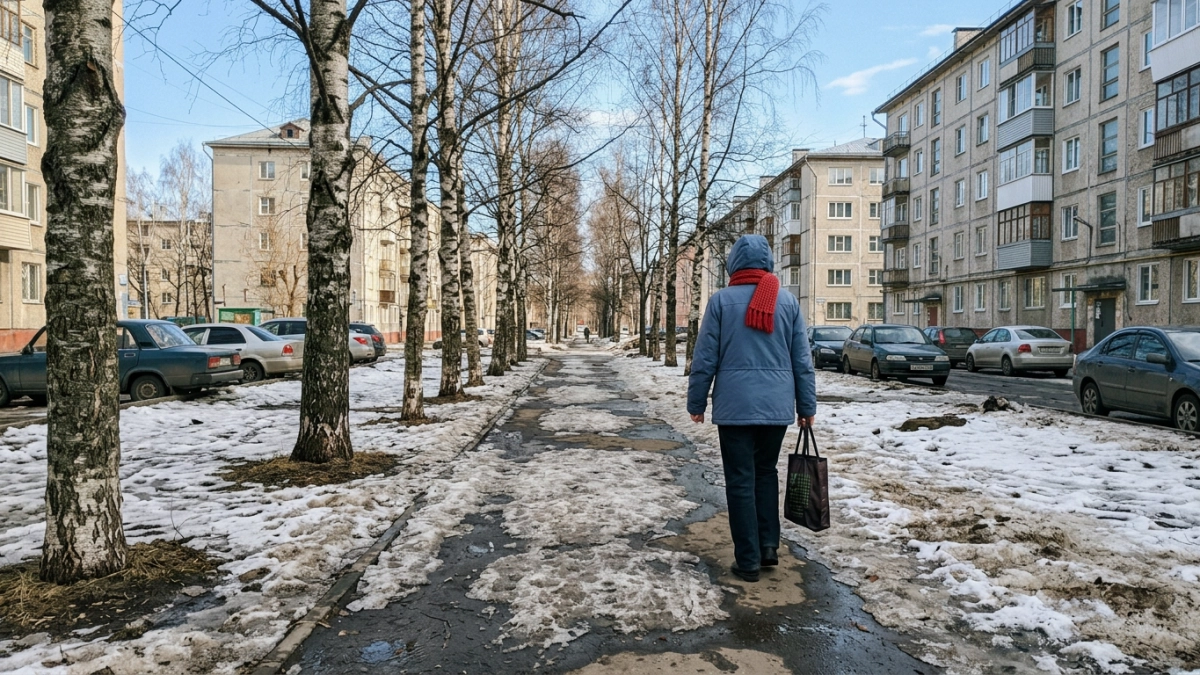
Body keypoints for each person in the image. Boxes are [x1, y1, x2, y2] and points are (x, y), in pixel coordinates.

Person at [687, 234, 816, 583]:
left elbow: (705, 358)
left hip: (734, 408)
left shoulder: (721, 301)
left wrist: (696, 401)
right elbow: (802, 361)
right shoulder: (786, 302)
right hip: (776, 408)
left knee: (741, 480)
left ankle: (747, 560)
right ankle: (769, 547)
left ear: (733, 264)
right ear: (769, 263)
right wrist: (806, 405)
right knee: (766, 473)